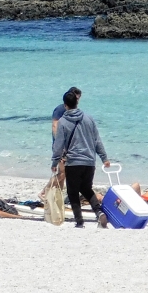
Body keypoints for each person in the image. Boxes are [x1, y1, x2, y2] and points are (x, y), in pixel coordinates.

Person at [51, 90, 111, 228]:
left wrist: (54, 162)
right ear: (77, 102)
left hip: (73, 162)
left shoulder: (63, 122)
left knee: (72, 192)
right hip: (90, 162)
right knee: (86, 189)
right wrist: (104, 158)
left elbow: (58, 145)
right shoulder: (89, 118)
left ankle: (79, 222)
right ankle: (99, 213)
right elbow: (97, 140)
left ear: (65, 105)